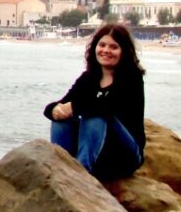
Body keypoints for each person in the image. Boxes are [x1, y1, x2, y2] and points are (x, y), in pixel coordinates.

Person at [43, 23, 146, 179]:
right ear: (95, 47)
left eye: (113, 47)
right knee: (61, 119)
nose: (106, 51)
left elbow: (108, 107)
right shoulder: (88, 78)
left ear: (124, 51)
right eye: (102, 45)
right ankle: (62, 168)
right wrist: (54, 110)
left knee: (95, 116)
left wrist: (74, 107)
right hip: (96, 151)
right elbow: (63, 104)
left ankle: (81, 173)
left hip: (123, 154)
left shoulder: (131, 78)